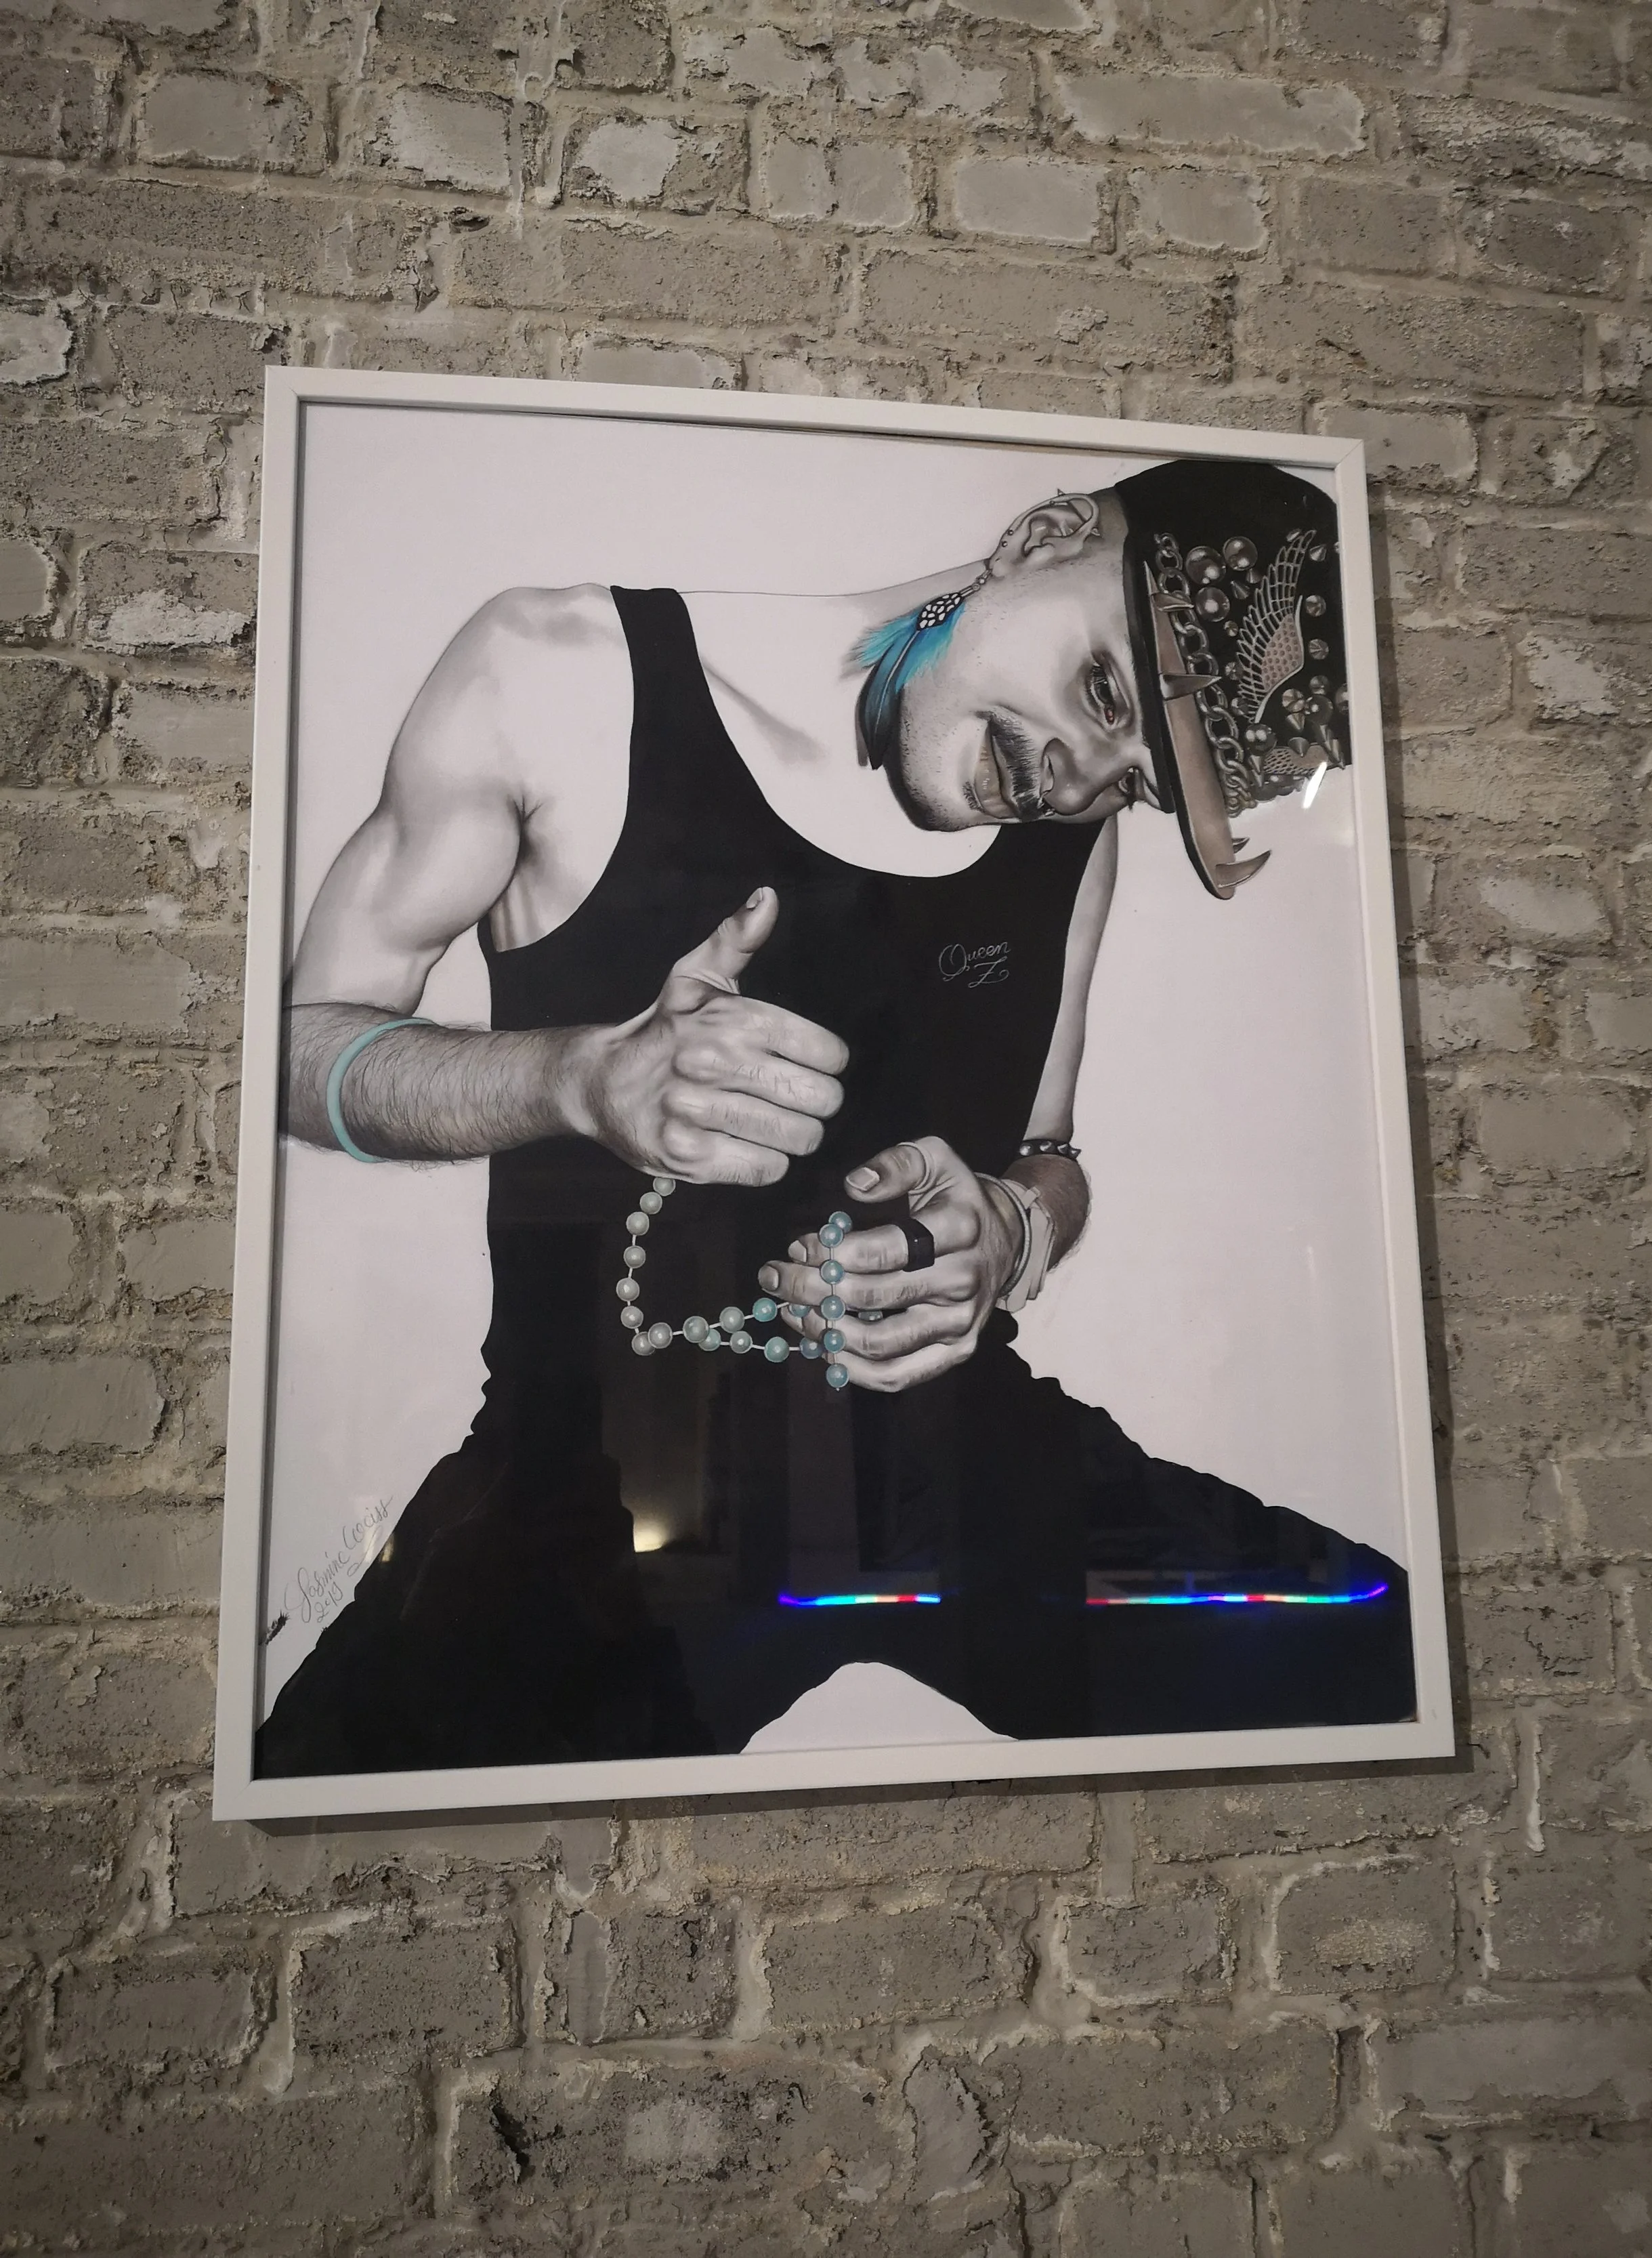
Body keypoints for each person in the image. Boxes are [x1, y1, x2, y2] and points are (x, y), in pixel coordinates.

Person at [256, 457, 1414, 1776]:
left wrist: (1010, 1236)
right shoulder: (561, 672)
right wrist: (573, 1077)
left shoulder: (1068, 838)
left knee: (1378, 1660)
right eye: (1102, 689)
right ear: (1035, 540)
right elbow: (302, 1051)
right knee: (329, 1811)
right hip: (595, 1505)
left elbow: (1043, 1159)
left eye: (1132, 776)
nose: (1073, 776)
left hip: (952, 1477)